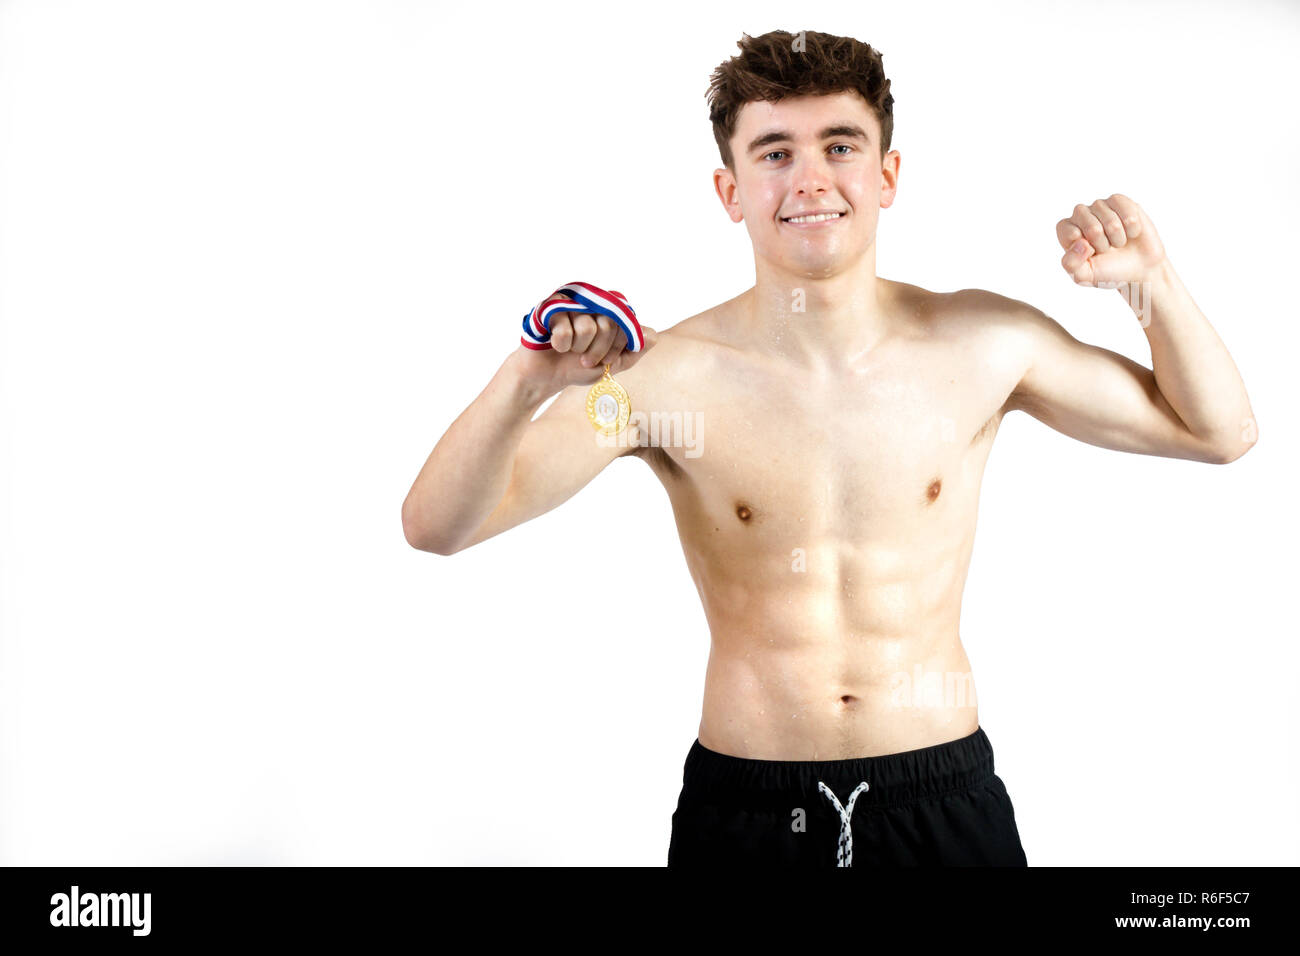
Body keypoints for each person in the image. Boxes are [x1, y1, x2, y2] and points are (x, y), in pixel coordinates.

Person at [400, 29, 1257, 867]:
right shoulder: (662, 379)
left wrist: (1151, 286)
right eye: (773, 152)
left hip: (941, 797)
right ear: (729, 189)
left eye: (839, 145)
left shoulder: (984, 342)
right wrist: (526, 383)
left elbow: (1216, 432)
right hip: (745, 809)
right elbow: (436, 525)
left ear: (886, 175)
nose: (810, 178)